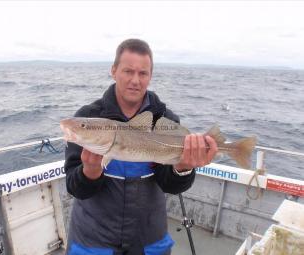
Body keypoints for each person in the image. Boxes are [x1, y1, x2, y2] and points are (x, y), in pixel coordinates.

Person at [64, 39, 218, 255]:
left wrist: (183, 168)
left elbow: (171, 186)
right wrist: (89, 172)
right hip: (94, 239)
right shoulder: (89, 117)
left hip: (148, 238)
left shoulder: (165, 120)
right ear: (114, 70)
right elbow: (74, 187)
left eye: (143, 73)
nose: (135, 80)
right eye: (128, 71)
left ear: (150, 76)